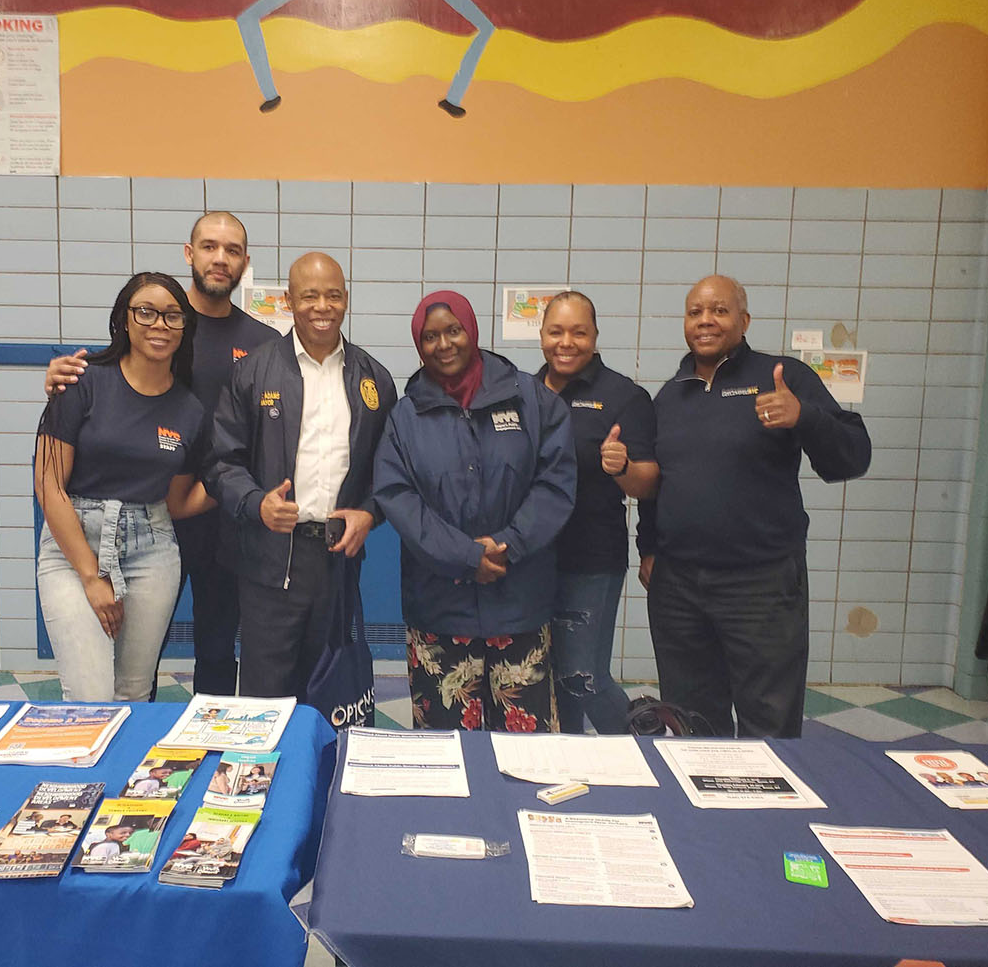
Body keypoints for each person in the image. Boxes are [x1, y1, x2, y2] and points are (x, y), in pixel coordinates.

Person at [47, 212, 278, 696]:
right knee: (134, 664)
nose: (220, 258)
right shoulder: (155, 319)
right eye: (210, 246)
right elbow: (109, 382)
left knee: (216, 647)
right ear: (189, 254)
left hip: (217, 516)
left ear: (245, 263)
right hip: (149, 514)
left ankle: (209, 754)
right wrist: (59, 379)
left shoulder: (263, 344)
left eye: (232, 250)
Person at [638, 274, 871, 738]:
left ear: (744, 320)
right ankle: (702, 811)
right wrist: (649, 547)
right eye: (695, 312)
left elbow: (853, 455)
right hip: (679, 589)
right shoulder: (669, 396)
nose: (706, 320)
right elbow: (657, 485)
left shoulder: (781, 377)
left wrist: (803, 417)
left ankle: (768, 811)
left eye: (719, 310)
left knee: (769, 723)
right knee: (690, 721)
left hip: (761, 586)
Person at [373, 291, 576, 732]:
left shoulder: (534, 402)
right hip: (440, 609)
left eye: (453, 331)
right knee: (446, 752)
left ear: (472, 331)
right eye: (430, 337)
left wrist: (508, 544)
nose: (443, 344)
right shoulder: (405, 418)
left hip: (519, 604)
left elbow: (555, 484)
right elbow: (398, 496)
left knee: (529, 753)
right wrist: (465, 555)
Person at [205, 252, 397, 699]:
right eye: (309, 296)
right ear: (289, 301)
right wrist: (257, 504)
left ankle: (325, 769)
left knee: (332, 691)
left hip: (338, 562)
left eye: (333, 295)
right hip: (269, 562)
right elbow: (220, 462)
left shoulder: (374, 379)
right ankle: (265, 772)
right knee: (265, 697)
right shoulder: (253, 372)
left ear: (346, 299)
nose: (322, 307)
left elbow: (390, 472)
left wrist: (370, 513)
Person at [35, 272, 216, 703]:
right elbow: (49, 484)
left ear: (185, 327)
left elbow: (176, 501)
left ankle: (129, 775)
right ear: (124, 320)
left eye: (173, 316)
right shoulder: (82, 381)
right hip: (74, 547)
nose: (159, 325)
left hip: (151, 548)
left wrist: (237, 483)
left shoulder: (189, 410)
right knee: (89, 695)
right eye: (146, 312)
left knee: (133, 693)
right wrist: (92, 576)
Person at [536, 291, 659, 735]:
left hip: (590, 562)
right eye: (556, 331)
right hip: (530, 561)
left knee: (581, 675)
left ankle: (647, 744)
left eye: (578, 332)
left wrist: (622, 466)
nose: (566, 342)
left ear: (595, 336)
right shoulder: (524, 393)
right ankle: (566, 759)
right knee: (550, 679)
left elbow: (649, 483)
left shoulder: (623, 396)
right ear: (542, 335)